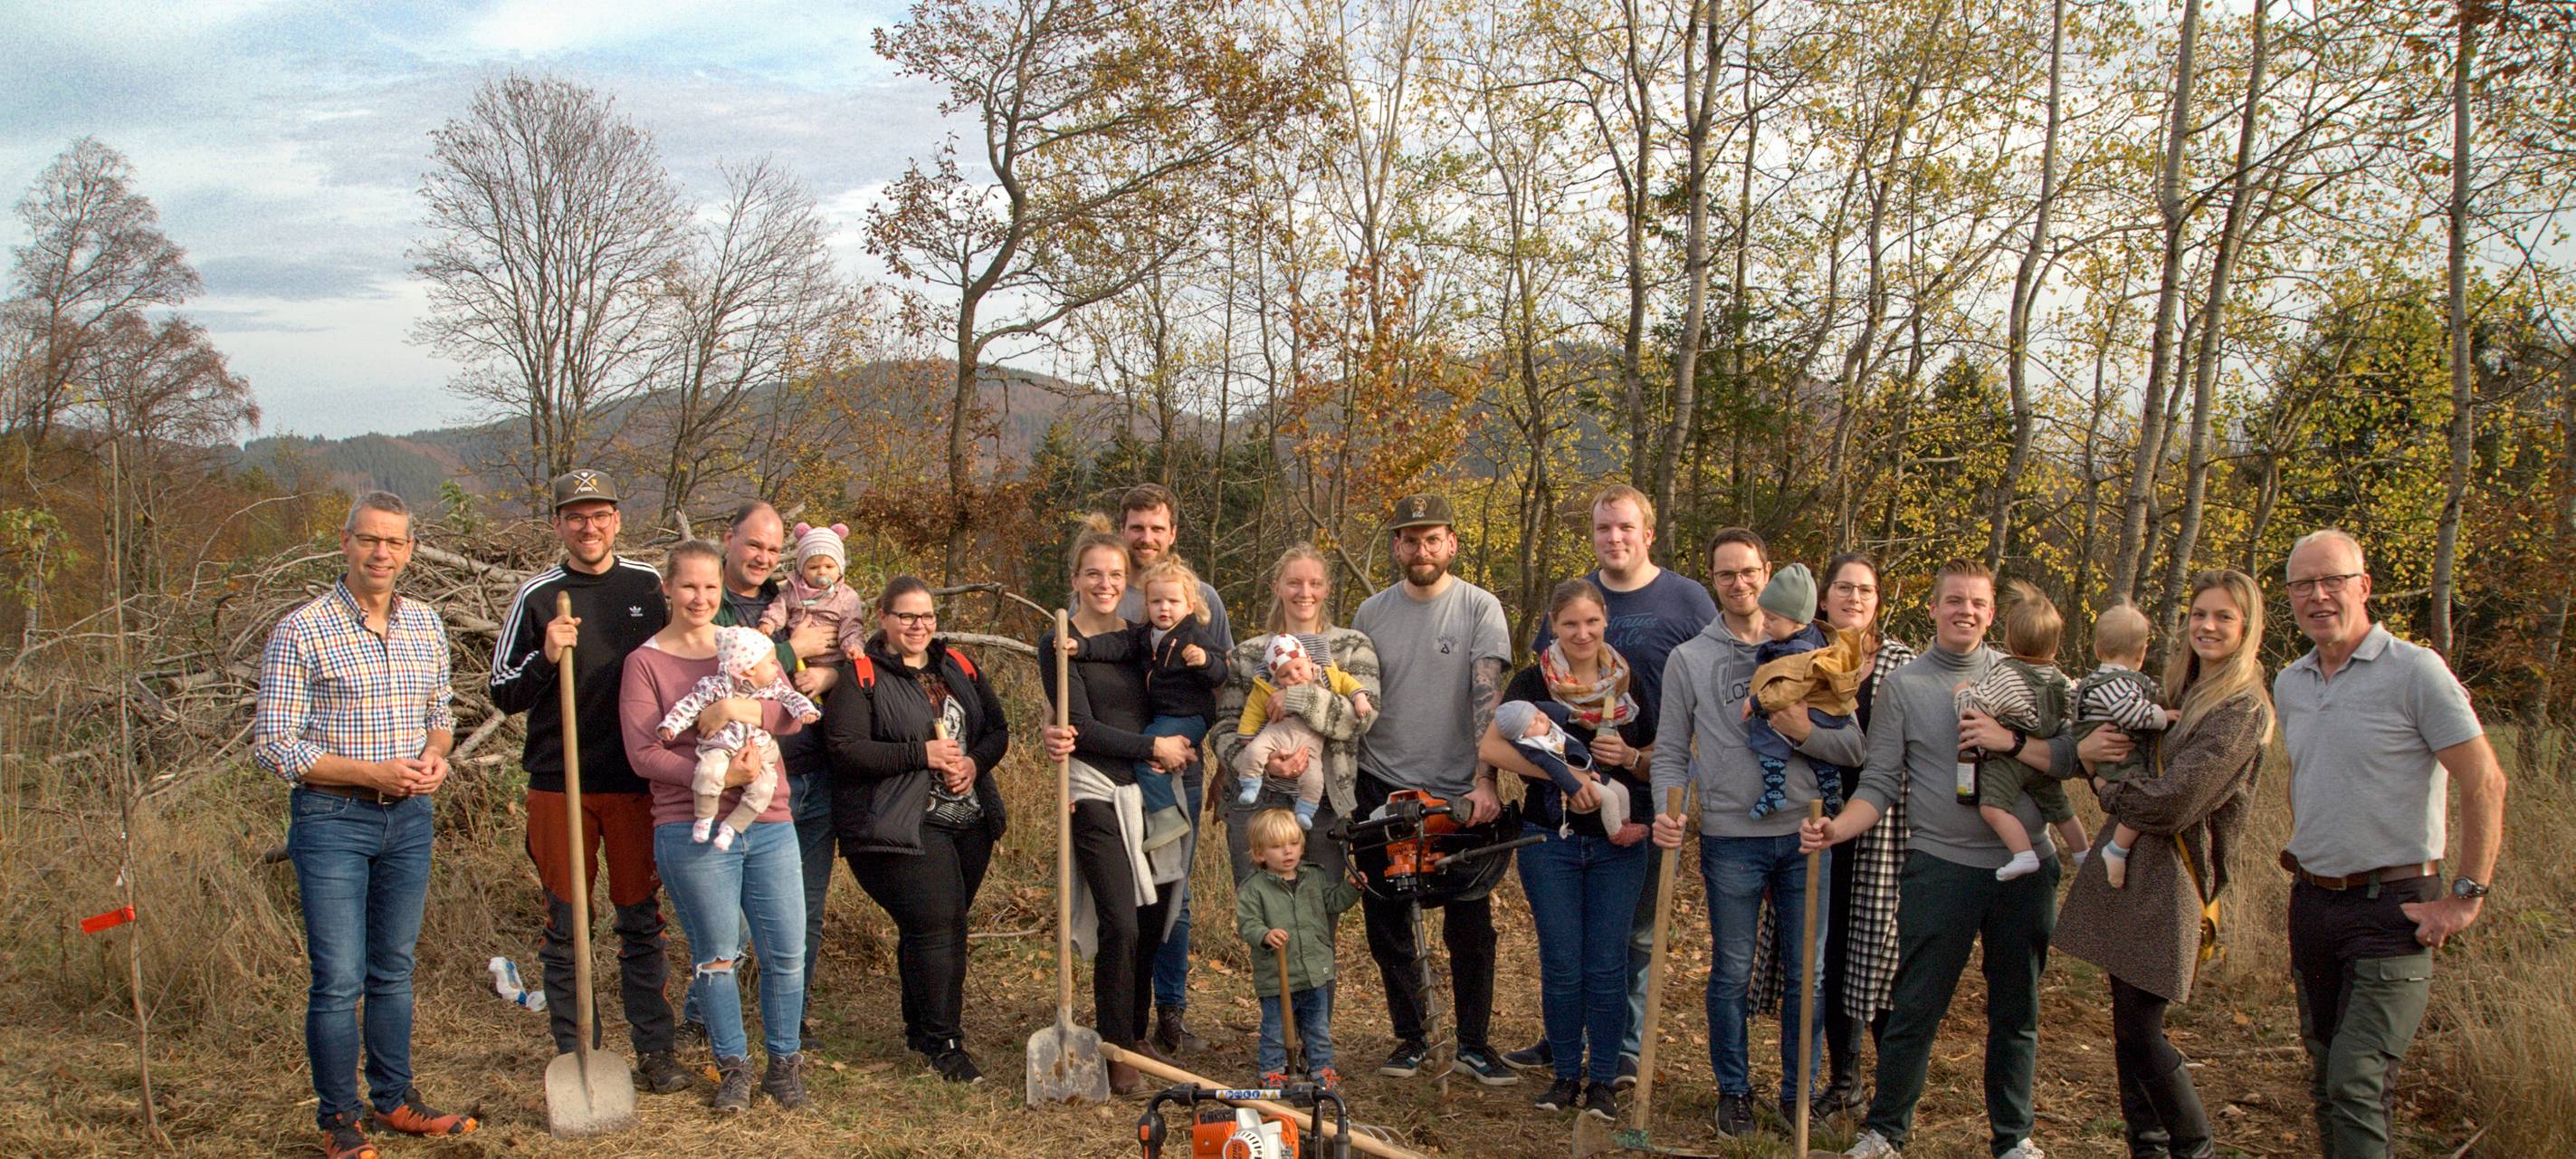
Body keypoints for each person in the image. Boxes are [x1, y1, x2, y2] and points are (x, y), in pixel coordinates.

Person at [1800, 559, 2087, 1159]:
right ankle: (1886, 1132)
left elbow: (2067, 759)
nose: (1966, 612)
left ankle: (2013, 1138)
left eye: (1978, 604)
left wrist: (2009, 741)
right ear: (1932, 609)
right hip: (1940, 866)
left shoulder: (2022, 674)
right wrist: (1836, 829)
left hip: (2026, 868)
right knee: (1915, 1004)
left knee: (2017, 1009)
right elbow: (1877, 782)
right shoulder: (1906, 686)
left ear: (1993, 614)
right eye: (1954, 600)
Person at [254, 492, 480, 1159]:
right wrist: (367, 773)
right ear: (346, 543)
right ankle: (338, 1120)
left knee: (393, 970)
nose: (382, 553)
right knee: (339, 978)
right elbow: (276, 744)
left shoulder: (426, 624)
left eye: (396, 543)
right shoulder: (303, 629)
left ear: (411, 550)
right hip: (332, 820)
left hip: (410, 817)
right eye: (370, 540)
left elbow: (441, 712)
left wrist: (437, 758)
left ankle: (395, 1101)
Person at [2273, 529, 2505, 1159]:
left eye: (2332, 581)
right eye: (2302, 585)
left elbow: (2485, 780)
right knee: (2325, 1081)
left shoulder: (2416, 672)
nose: (2317, 596)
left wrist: (2466, 896)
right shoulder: (2290, 682)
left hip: (2394, 909)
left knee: (2357, 1082)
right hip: (2314, 905)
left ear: (2364, 587)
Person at [1648, 529, 1868, 1135]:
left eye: (1749, 572)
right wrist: (1668, 809)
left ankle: (1797, 1099)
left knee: (1809, 974)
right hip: (1730, 838)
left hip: (1806, 835)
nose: (1740, 585)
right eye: (1726, 575)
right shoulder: (1689, 659)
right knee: (1732, 971)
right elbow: (1669, 752)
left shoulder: (1817, 654)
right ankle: (1734, 1094)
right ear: (1713, 581)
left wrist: (1800, 728)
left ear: (1767, 573)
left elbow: (1852, 747)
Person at [2055, 570, 2275, 1159]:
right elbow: (2113, 748)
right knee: (2126, 1024)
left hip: (2174, 878)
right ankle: (2146, 1148)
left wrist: (2105, 790)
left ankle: (2193, 1146)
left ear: (2246, 627)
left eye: (2223, 616)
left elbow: (2175, 802)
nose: (2207, 625)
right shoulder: (2176, 691)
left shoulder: (2240, 710)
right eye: (2199, 614)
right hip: (2135, 871)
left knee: (2142, 1028)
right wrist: (2089, 756)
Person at [485, 469, 687, 1093]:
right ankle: (580, 1049)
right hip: (559, 783)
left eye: (599, 514)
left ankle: (655, 1050)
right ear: (558, 525)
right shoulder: (538, 596)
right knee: (566, 922)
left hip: (632, 781)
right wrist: (545, 656)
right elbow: (501, 692)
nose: (589, 526)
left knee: (639, 920)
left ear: (618, 519)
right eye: (576, 516)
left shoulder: (649, 587)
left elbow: (683, 656)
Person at [1507, 484, 1714, 1086]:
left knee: (1634, 934)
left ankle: (1621, 1047)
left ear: (1648, 532)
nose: (1615, 538)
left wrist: (1644, 757)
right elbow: (1535, 712)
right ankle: (1564, 1039)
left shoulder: (1686, 600)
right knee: (1570, 945)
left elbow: (1706, 685)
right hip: (1565, 802)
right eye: (1604, 529)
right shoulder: (1578, 602)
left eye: (1626, 527)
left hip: (1646, 788)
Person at [618, 541, 816, 1114]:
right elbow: (642, 754)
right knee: (717, 953)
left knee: (785, 951)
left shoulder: (747, 646)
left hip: (770, 819)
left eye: (710, 587)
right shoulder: (646, 663)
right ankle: (734, 1066)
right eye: (689, 586)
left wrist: (732, 711)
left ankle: (785, 1064)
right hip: (691, 824)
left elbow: (787, 714)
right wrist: (720, 777)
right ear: (668, 590)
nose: (701, 597)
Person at [1350, 493, 1517, 1086]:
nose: (1420, 549)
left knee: (1470, 923)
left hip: (1457, 792)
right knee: (1388, 920)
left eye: (1431, 538)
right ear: (1395, 545)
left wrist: (1485, 779)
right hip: (1385, 784)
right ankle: (1413, 1038)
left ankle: (1473, 1042)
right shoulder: (1370, 614)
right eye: (1408, 538)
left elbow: (1486, 696)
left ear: (1450, 543)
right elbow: (1356, 699)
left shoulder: (1480, 607)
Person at [824, 576, 1011, 1084]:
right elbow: (844, 749)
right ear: (882, 616)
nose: (918, 625)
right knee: (939, 924)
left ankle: (920, 1030)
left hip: (968, 820)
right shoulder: (860, 675)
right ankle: (947, 1044)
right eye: (906, 615)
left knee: (934, 928)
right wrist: (919, 754)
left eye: (926, 615)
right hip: (895, 825)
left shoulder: (958, 667)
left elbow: (997, 729)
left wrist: (973, 763)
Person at [1039, 515, 1199, 1095]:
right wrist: (1151, 744)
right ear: (1076, 578)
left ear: (1127, 579)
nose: (1105, 583)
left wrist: (1180, 739)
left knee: (1155, 917)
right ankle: (1115, 1047)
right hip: (1093, 792)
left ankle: (1134, 1029)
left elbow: (1184, 687)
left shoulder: (1140, 638)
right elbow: (1079, 727)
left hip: (1148, 789)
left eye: (1115, 574)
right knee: (1120, 920)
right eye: (1093, 574)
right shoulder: (1058, 645)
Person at [1481, 579, 1651, 1122]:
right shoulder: (1533, 681)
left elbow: (1657, 754)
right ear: (1553, 626)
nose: (1582, 633)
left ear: (1606, 622)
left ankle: (1601, 1079)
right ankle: (1563, 1077)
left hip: (1617, 844)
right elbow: (1490, 745)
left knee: (1606, 964)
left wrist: (1625, 756)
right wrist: (1564, 774)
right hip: (1548, 842)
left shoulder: (1630, 680)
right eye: (1570, 624)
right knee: (1561, 964)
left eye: (1592, 622)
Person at [1105, 484, 1236, 1057]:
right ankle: (1122, 1014)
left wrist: (1225, 759)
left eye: (1157, 528)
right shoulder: (1107, 588)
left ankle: (1171, 1011)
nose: (1146, 538)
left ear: (1173, 532)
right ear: (1123, 529)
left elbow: (1225, 682)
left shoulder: (1200, 595)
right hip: (1113, 765)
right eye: (1137, 527)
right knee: (1124, 894)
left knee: (1175, 896)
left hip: (1181, 757)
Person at [711, 502, 842, 1015]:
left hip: (809, 774)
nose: (763, 557)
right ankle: (707, 1016)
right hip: (743, 778)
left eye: (772, 549)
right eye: (753, 545)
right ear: (729, 539)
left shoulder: (789, 600)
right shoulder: (708, 605)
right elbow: (720, 676)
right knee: (729, 915)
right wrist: (791, 650)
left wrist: (830, 676)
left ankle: (791, 1015)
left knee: (804, 909)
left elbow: (835, 655)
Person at [1211, 544, 1383, 886]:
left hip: (1323, 798)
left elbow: (1362, 718)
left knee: (1319, 914)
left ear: (1327, 588)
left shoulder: (1352, 646)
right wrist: (1261, 761)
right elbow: (1224, 729)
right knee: (1262, 916)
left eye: (1315, 583)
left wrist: (1298, 697)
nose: (1305, 593)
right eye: (1294, 583)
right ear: (1276, 586)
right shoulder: (1248, 653)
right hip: (1255, 800)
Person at [1071, 557, 1229, 849]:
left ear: (1190, 605)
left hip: (1188, 716)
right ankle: (1163, 810)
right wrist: (1083, 646)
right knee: (1151, 751)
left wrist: (1204, 662)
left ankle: (1167, 816)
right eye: (1156, 602)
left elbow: (1222, 672)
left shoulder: (1194, 637)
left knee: (1147, 756)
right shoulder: (1146, 635)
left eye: (1173, 601)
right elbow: (1116, 645)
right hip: (1163, 715)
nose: (1164, 608)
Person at [1954, 581, 2086, 883]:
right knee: (2060, 807)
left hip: (2008, 761)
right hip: (2044, 758)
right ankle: (2083, 853)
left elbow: (1975, 709)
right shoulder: (2059, 678)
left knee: (1991, 807)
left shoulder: (2006, 674)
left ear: (2010, 642)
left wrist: (1962, 692)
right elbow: (2076, 707)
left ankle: (2022, 853)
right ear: (2054, 646)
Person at [656, 626, 821, 850]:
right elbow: (689, 705)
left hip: (759, 752)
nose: (777, 666)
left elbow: (792, 699)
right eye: (771, 662)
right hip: (720, 745)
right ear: (749, 669)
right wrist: (671, 725)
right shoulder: (715, 686)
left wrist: (805, 711)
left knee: (764, 789)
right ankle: (705, 816)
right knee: (708, 771)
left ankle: (732, 826)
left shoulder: (772, 687)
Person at [1236, 808, 1360, 1090]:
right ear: (1259, 854)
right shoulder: (1254, 888)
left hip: (1314, 972)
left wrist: (1352, 888)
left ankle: (1321, 1068)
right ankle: (1273, 1070)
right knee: (1276, 1029)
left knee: (1317, 1028)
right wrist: (1265, 935)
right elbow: (1248, 924)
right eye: (1277, 847)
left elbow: (1333, 901)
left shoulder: (1313, 877)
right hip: (1278, 976)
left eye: (1293, 844)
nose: (1287, 852)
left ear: (1302, 846)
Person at [1743, 562, 1865, 819]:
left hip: (1815, 710)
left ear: (1797, 620)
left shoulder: (1798, 651)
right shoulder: (1816, 638)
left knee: (1765, 730)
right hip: (1830, 712)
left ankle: (1774, 790)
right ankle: (1831, 795)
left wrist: (1757, 702)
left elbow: (1791, 687)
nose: (1765, 625)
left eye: (1772, 619)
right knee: (1821, 758)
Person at [2071, 603, 2175, 890]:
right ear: (2141, 654)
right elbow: (2133, 714)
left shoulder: (2090, 681)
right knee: (2141, 797)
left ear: (2097, 648)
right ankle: (2117, 848)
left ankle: (2100, 782)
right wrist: (2162, 717)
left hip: (2097, 754)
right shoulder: (2120, 683)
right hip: (2119, 756)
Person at [1233, 633, 1373, 829]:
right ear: (1276, 677)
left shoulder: (1327, 676)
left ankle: (1306, 810)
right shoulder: (1266, 688)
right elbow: (1252, 712)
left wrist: (1360, 698)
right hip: (1275, 737)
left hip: (1310, 745)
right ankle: (1250, 784)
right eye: (1285, 675)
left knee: (1314, 778)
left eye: (1298, 668)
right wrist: (1247, 738)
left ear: (1308, 660)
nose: (1295, 677)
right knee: (1254, 751)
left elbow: (1350, 686)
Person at [755, 522, 867, 670]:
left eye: (829, 566)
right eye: (813, 567)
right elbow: (779, 608)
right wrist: (769, 623)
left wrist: (853, 645)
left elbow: (852, 626)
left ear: (839, 568)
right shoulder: (793, 590)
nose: (822, 572)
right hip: (798, 660)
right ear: (802, 569)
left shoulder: (846, 597)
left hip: (831, 661)